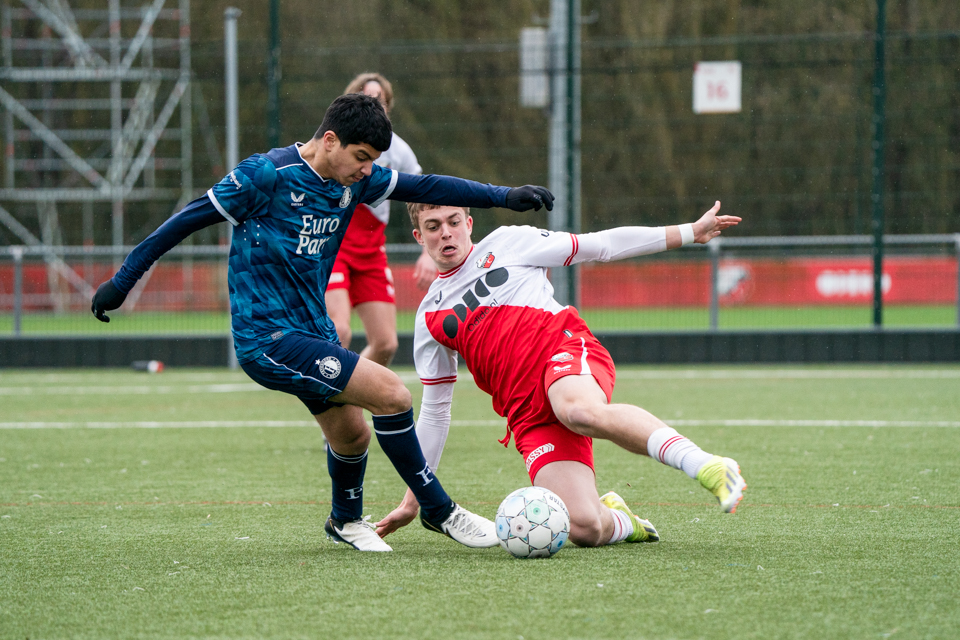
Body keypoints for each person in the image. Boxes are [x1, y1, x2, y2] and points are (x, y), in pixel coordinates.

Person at [90, 93, 554, 552]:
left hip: (314, 331)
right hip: (266, 337)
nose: (367, 169)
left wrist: (504, 196)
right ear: (330, 141)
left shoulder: (355, 182)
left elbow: (427, 186)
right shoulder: (265, 176)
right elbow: (184, 222)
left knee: (352, 434)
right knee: (392, 394)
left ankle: (345, 521)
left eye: (373, 161)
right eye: (361, 157)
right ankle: (439, 509)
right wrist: (122, 282)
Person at [375, 201, 746, 548]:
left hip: (563, 351)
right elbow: (435, 412)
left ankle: (706, 465)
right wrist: (414, 499)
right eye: (433, 226)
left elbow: (602, 245)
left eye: (454, 222)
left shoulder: (509, 242)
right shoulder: (429, 317)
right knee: (585, 528)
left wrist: (690, 232)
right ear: (419, 236)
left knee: (577, 410)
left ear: (469, 223)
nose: (446, 233)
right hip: (526, 412)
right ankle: (622, 519)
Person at [326, 72, 435, 366]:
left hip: (371, 250)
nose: (375, 105)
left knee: (386, 343)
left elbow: (423, 196)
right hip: (334, 247)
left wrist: (428, 252)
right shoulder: (335, 143)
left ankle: (352, 386)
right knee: (339, 331)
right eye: (368, 98)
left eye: (381, 101)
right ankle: (329, 391)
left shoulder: (398, 150)